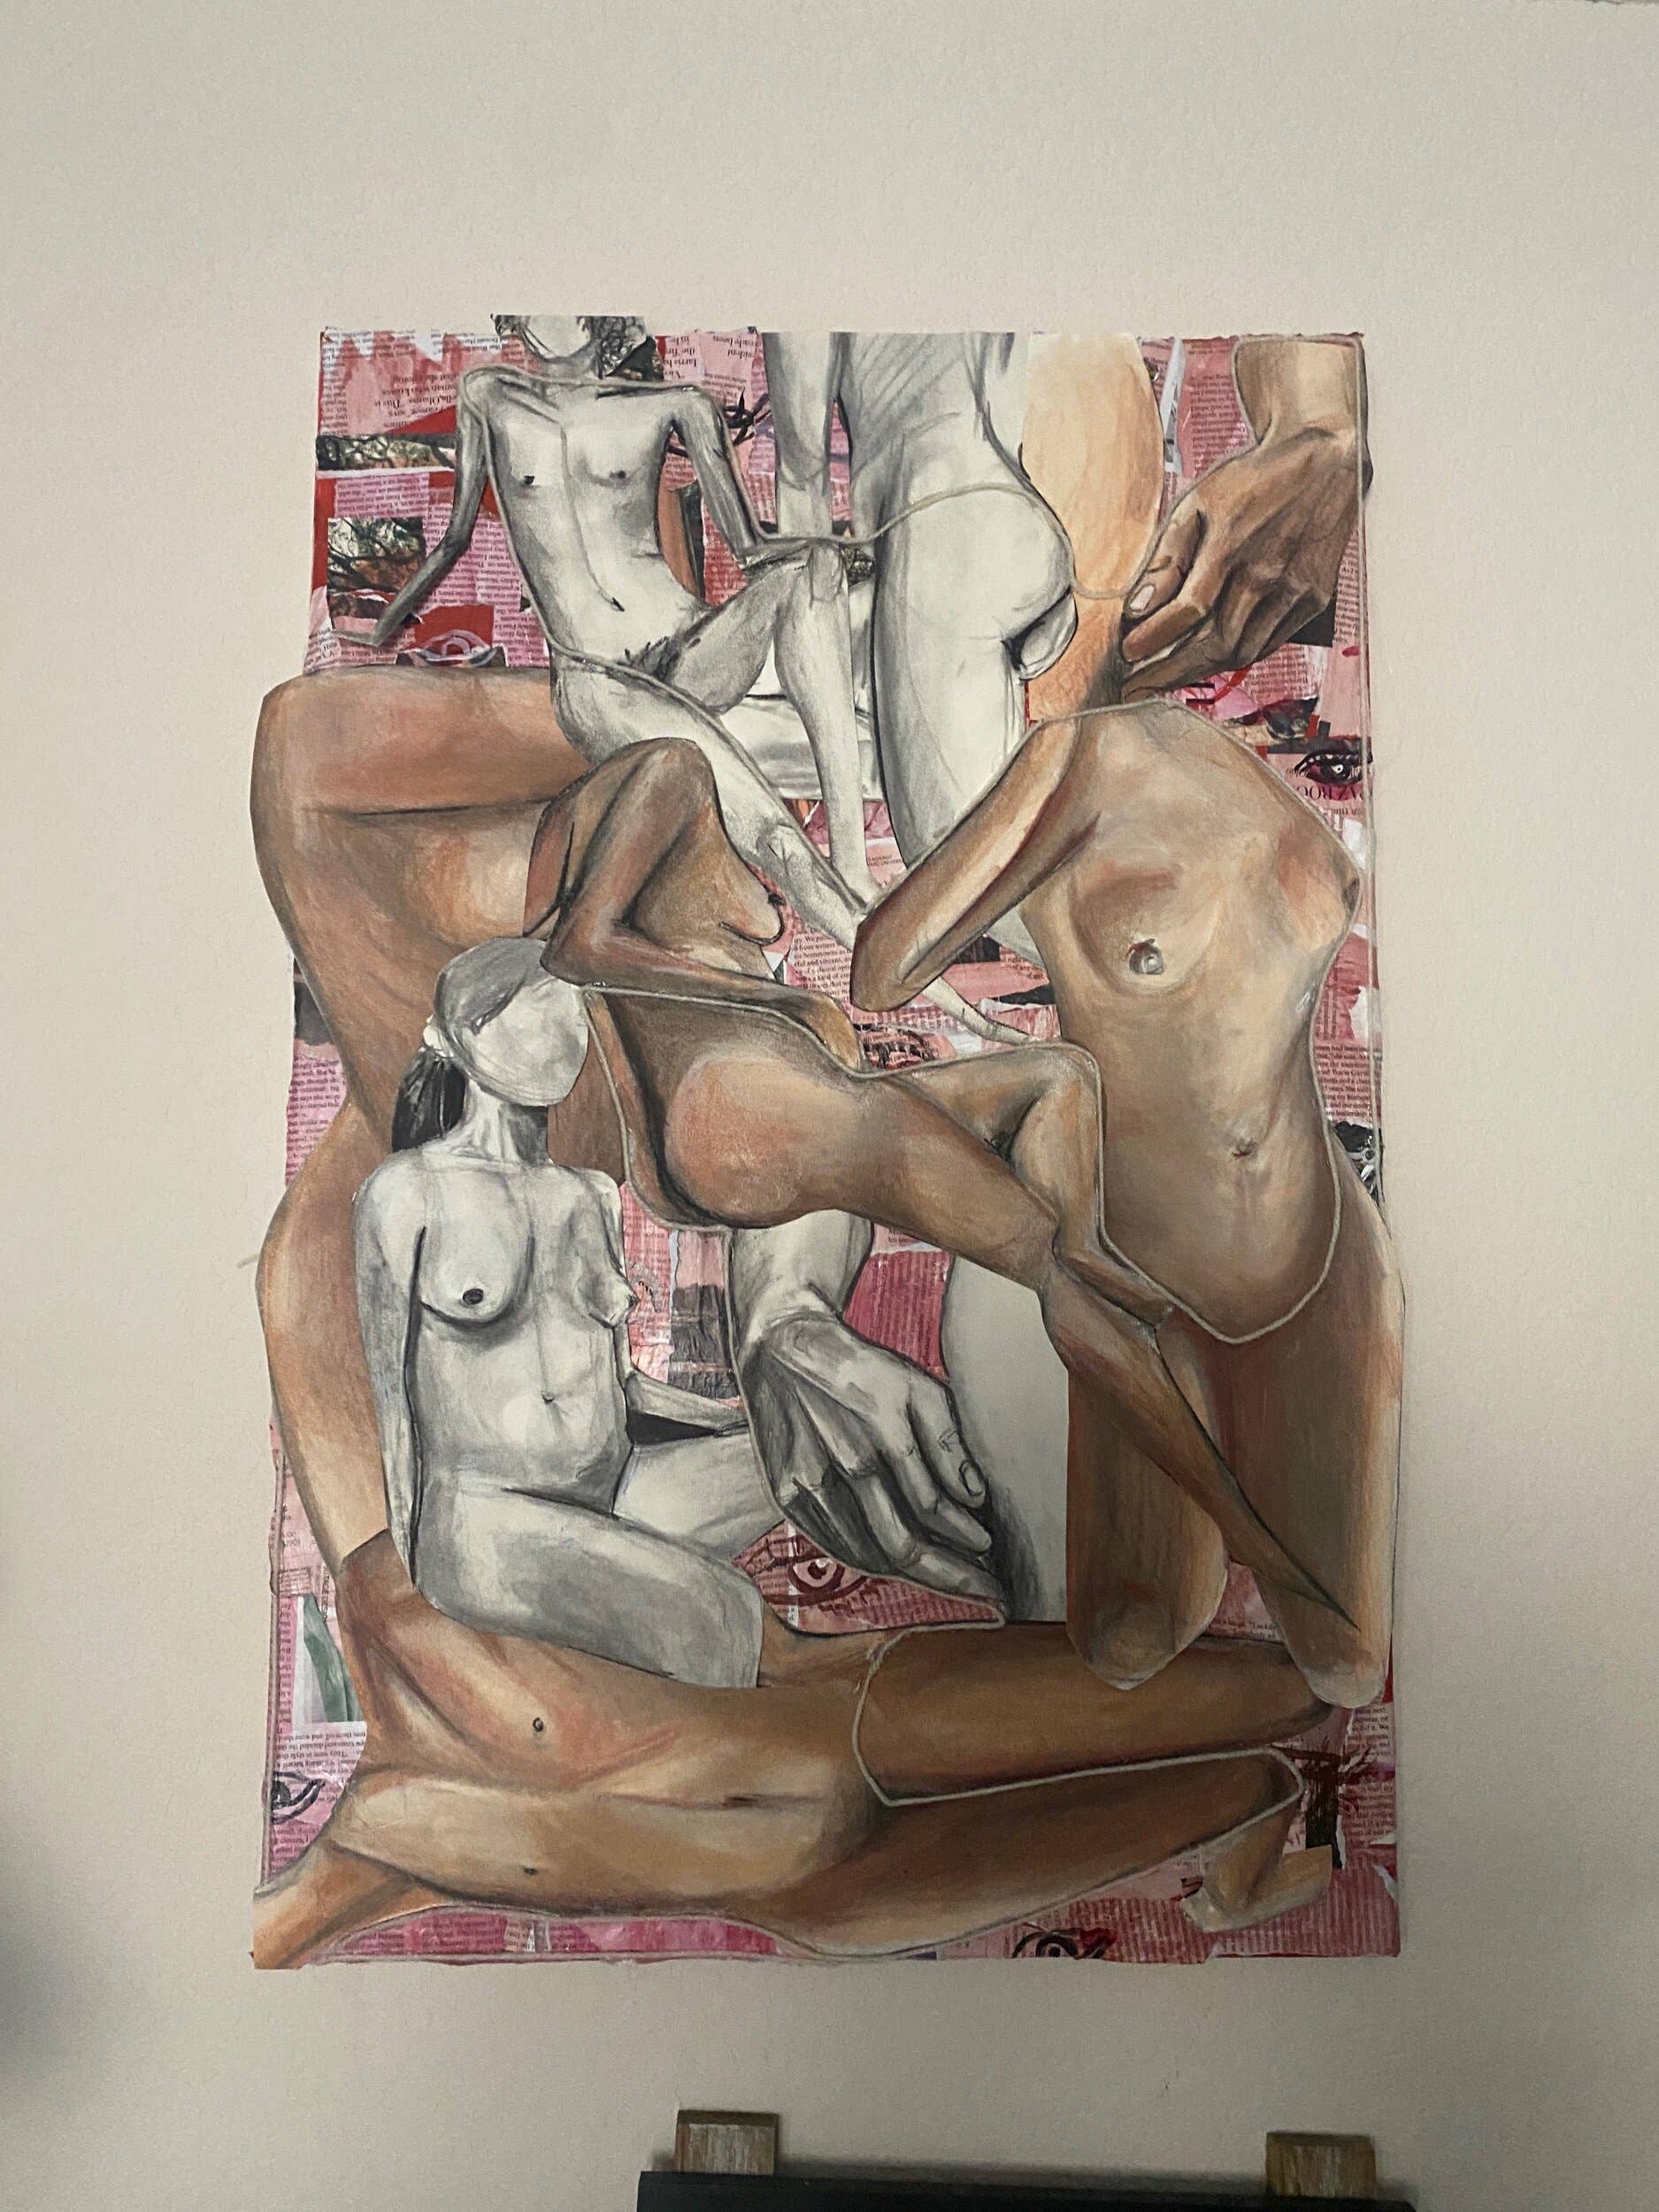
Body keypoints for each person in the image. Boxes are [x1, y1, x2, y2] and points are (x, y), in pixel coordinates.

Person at [853, 697, 1402, 1706]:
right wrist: (1043, 1084)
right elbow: (881, 967)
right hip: (1147, 1287)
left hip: (1318, 1257)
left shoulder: (1237, 760)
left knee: (1350, 1671)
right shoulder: (1076, 760)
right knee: (1127, 1650)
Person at [355, 938, 800, 1689]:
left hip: (616, 1487)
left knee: (804, 1457)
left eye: (573, 1014)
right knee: (722, 1613)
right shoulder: (406, 1193)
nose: (562, 1034)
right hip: (488, 1517)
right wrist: (418, 1553)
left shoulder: (589, 1194)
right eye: (538, 1011)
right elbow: (390, 1393)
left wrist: (747, 1419)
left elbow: (620, 1386)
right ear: (468, 1033)